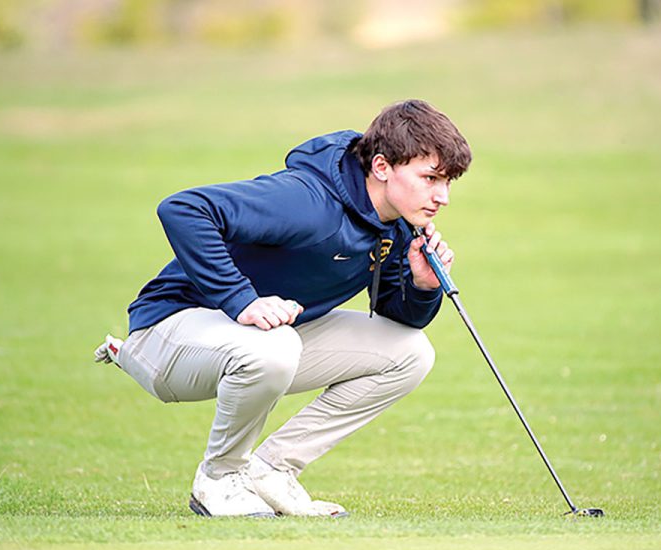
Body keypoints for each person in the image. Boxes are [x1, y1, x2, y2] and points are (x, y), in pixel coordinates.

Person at [95, 99, 472, 518]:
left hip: (255, 343)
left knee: (410, 353)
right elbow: (184, 209)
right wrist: (243, 300)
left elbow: (396, 317)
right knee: (274, 346)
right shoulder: (305, 200)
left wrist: (421, 285)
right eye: (430, 178)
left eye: (448, 182)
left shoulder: (398, 226)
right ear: (382, 167)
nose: (442, 197)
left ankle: (270, 471)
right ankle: (219, 478)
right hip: (166, 336)